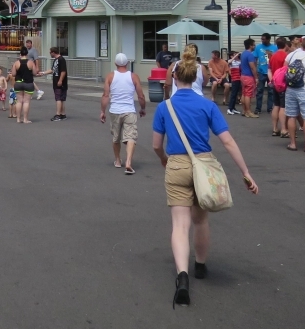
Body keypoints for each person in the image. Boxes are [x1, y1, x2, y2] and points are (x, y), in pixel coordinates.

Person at [151, 59, 259, 307]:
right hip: (203, 166)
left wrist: (163, 159)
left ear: (175, 77)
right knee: (201, 220)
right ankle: (199, 265)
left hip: (177, 165)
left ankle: (182, 276)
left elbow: (157, 144)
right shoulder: (207, 105)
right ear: (198, 78)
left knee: (180, 225)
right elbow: (228, 141)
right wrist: (245, 172)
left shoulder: (165, 107)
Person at [100, 53, 146, 173]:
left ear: (115, 64)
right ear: (127, 63)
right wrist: (143, 108)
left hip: (115, 110)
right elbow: (141, 95)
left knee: (116, 137)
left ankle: (118, 160)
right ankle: (129, 161)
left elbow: (105, 95)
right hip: (129, 110)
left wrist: (102, 111)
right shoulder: (133, 76)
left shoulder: (110, 76)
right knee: (131, 136)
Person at [269, 37, 290, 138]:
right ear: (285, 45)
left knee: (276, 105)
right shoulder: (286, 56)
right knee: (283, 107)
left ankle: (274, 128)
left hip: (275, 83)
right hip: (283, 84)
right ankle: (283, 129)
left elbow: (269, 70)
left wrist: (271, 80)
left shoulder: (273, 56)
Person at [10, 47, 38, 124]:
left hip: (18, 83)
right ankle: (25, 119)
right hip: (28, 83)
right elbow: (35, 73)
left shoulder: (16, 63)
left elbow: (13, 74)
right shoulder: (31, 62)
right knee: (26, 102)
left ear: (20, 54)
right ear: (27, 54)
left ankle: (18, 119)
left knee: (19, 101)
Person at [254, 34, 277, 115]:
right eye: (261, 39)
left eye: (264, 39)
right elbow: (255, 58)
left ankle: (270, 108)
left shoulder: (275, 48)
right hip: (261, 71)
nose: (262, 41)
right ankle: (258, 108)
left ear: (268, 39)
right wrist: (255, 70)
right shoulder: (258, 47)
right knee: (260, 90)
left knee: (271, 91)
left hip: (271, 72)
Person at [236, 38, 259, 118]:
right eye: (254, 44)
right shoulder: (250, 55)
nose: (255, 46)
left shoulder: (243, 54)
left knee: (244, 93)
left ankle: (244, 110)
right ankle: (249, 111)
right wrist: (256, 77)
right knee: (248, 94)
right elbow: (252, 67)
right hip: (249, 76)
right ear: (250, 46)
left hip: (243, 75)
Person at [50, 46, 68, 120]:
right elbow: (52, 70)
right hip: (57, 81)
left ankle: (58, 114)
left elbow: (63, 71)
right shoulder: (56, 60)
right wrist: (42, 73)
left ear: (53, 52)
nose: (50, 54)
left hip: (60, 82)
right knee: (62, 99)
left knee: (58, 98)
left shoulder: (61, 59)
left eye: (50, 52)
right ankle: (62, 114)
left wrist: (60, 80)